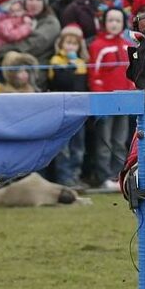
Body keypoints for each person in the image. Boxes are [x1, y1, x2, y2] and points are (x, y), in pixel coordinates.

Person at [87, 7, 134, 187]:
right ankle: (103, 176)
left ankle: (117, 175)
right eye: (110, 20)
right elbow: (94, 75)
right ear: (104, 23)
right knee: (104, 142)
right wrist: (100, 98)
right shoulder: (97, 46)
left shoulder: (128, 46)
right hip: (105, 102)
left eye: (117, 20)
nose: (114, 24)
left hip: (124, 101)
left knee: (120, 141)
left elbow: (132, 74)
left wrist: (130, 93)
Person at [47, 24, 89, 187]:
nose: (71, 46)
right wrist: (70, 64)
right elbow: (61, 81)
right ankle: (64, 178)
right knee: (63, 147)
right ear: (61, 44)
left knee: (78, 146)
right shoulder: (56, 61)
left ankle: (75, 175)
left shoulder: (81, 63)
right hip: (62, 109)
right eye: (68, 42)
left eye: (74, 43)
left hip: (78, 109)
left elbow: (80, 85)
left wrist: (74, 63)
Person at [0, 0, 61, 70]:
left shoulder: (51, 23)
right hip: (11, 68)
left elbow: (31, 45)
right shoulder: (18, 17)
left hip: (35, 71)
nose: (34, 3)